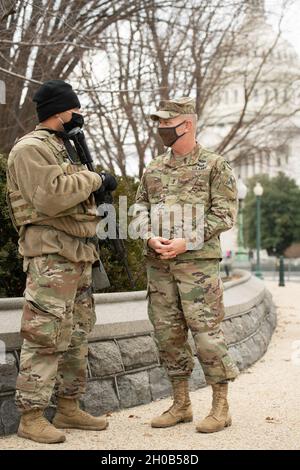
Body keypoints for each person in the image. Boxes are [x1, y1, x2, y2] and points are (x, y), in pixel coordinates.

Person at [6, 79, 117, 444]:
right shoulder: (30, 149)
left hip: (79, 253)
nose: (79, 115)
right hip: (51, 256)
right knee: (45, 335)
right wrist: (93, 178)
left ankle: (68, 406)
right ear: (60, 111)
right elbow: (50, 197)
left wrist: (97, 190)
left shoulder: (63, 147)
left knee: (76, 335)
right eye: (75, 109)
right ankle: (32, 416)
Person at [134, 97, 239, 433]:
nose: (162, 129)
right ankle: (181, 404)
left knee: (207, 336)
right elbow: (138, 209)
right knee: (168, 336)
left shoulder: (214, 166)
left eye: (167, 123)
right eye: (160, 123)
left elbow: (224, 214)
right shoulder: (153, 168)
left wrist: (187, 241)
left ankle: (221, 407)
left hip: (198, 270)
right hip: (160, 268)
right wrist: (149, 237)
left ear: (187, 124)